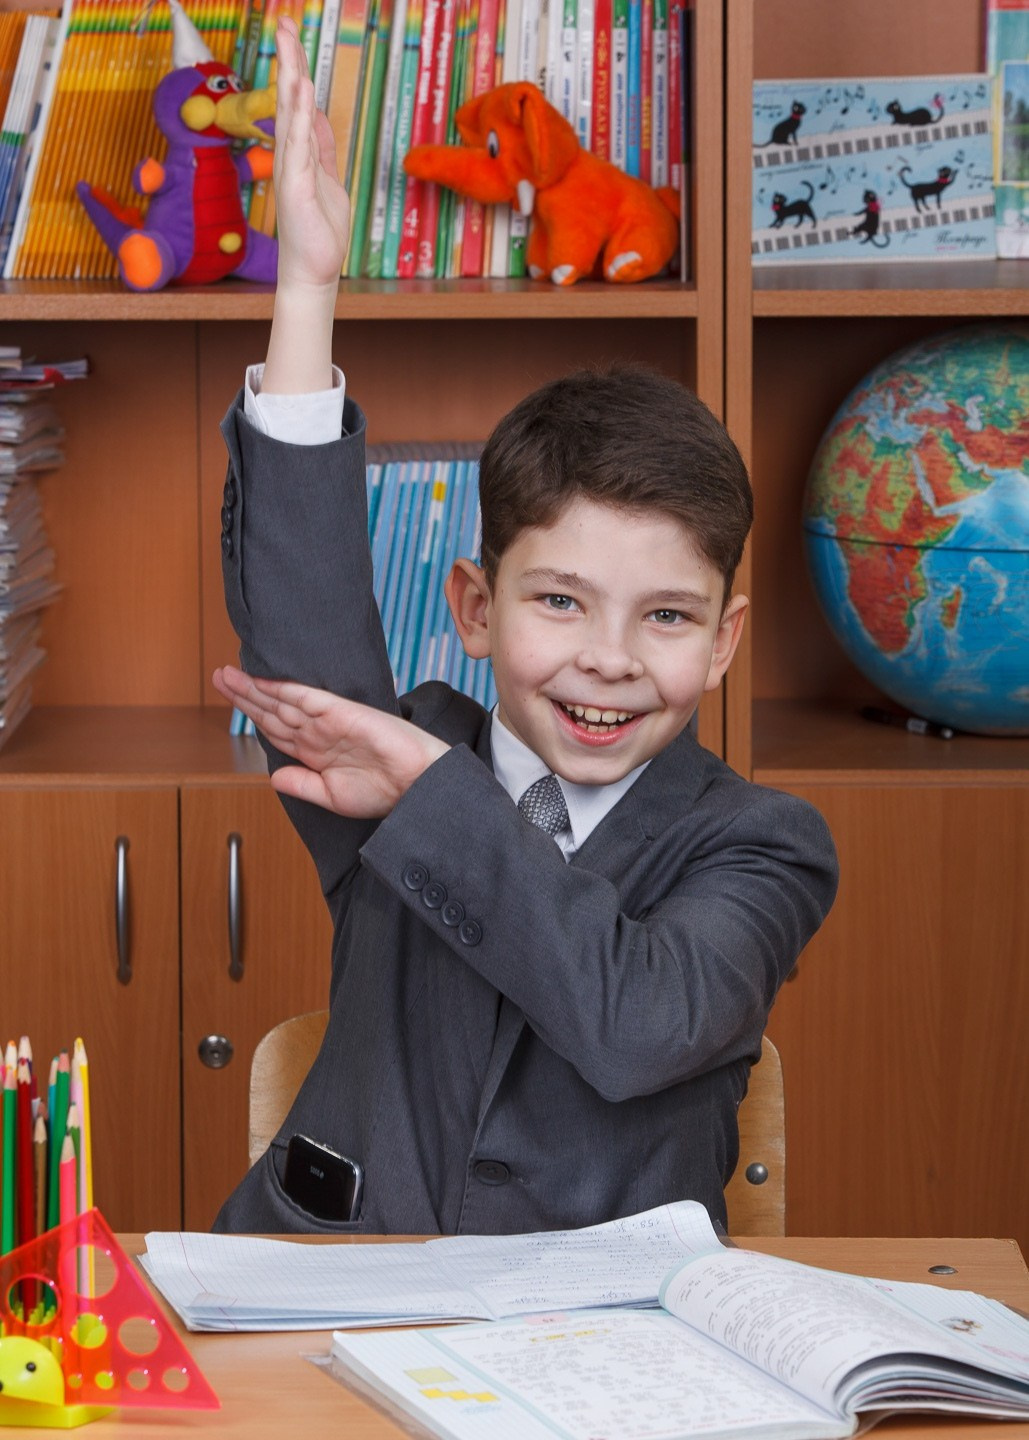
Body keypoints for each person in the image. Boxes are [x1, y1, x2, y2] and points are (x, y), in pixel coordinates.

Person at [211, 18, 839, 1236]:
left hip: (607, 1356)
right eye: (559, 601)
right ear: (474, 610)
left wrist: (429, 791)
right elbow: (300, 610)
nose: (608, 657)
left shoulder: (765, 847)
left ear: (723, 640)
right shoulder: (394, 768)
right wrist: (308, 287)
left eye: (665, 617)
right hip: (336, 1305)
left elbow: (637, 1021)